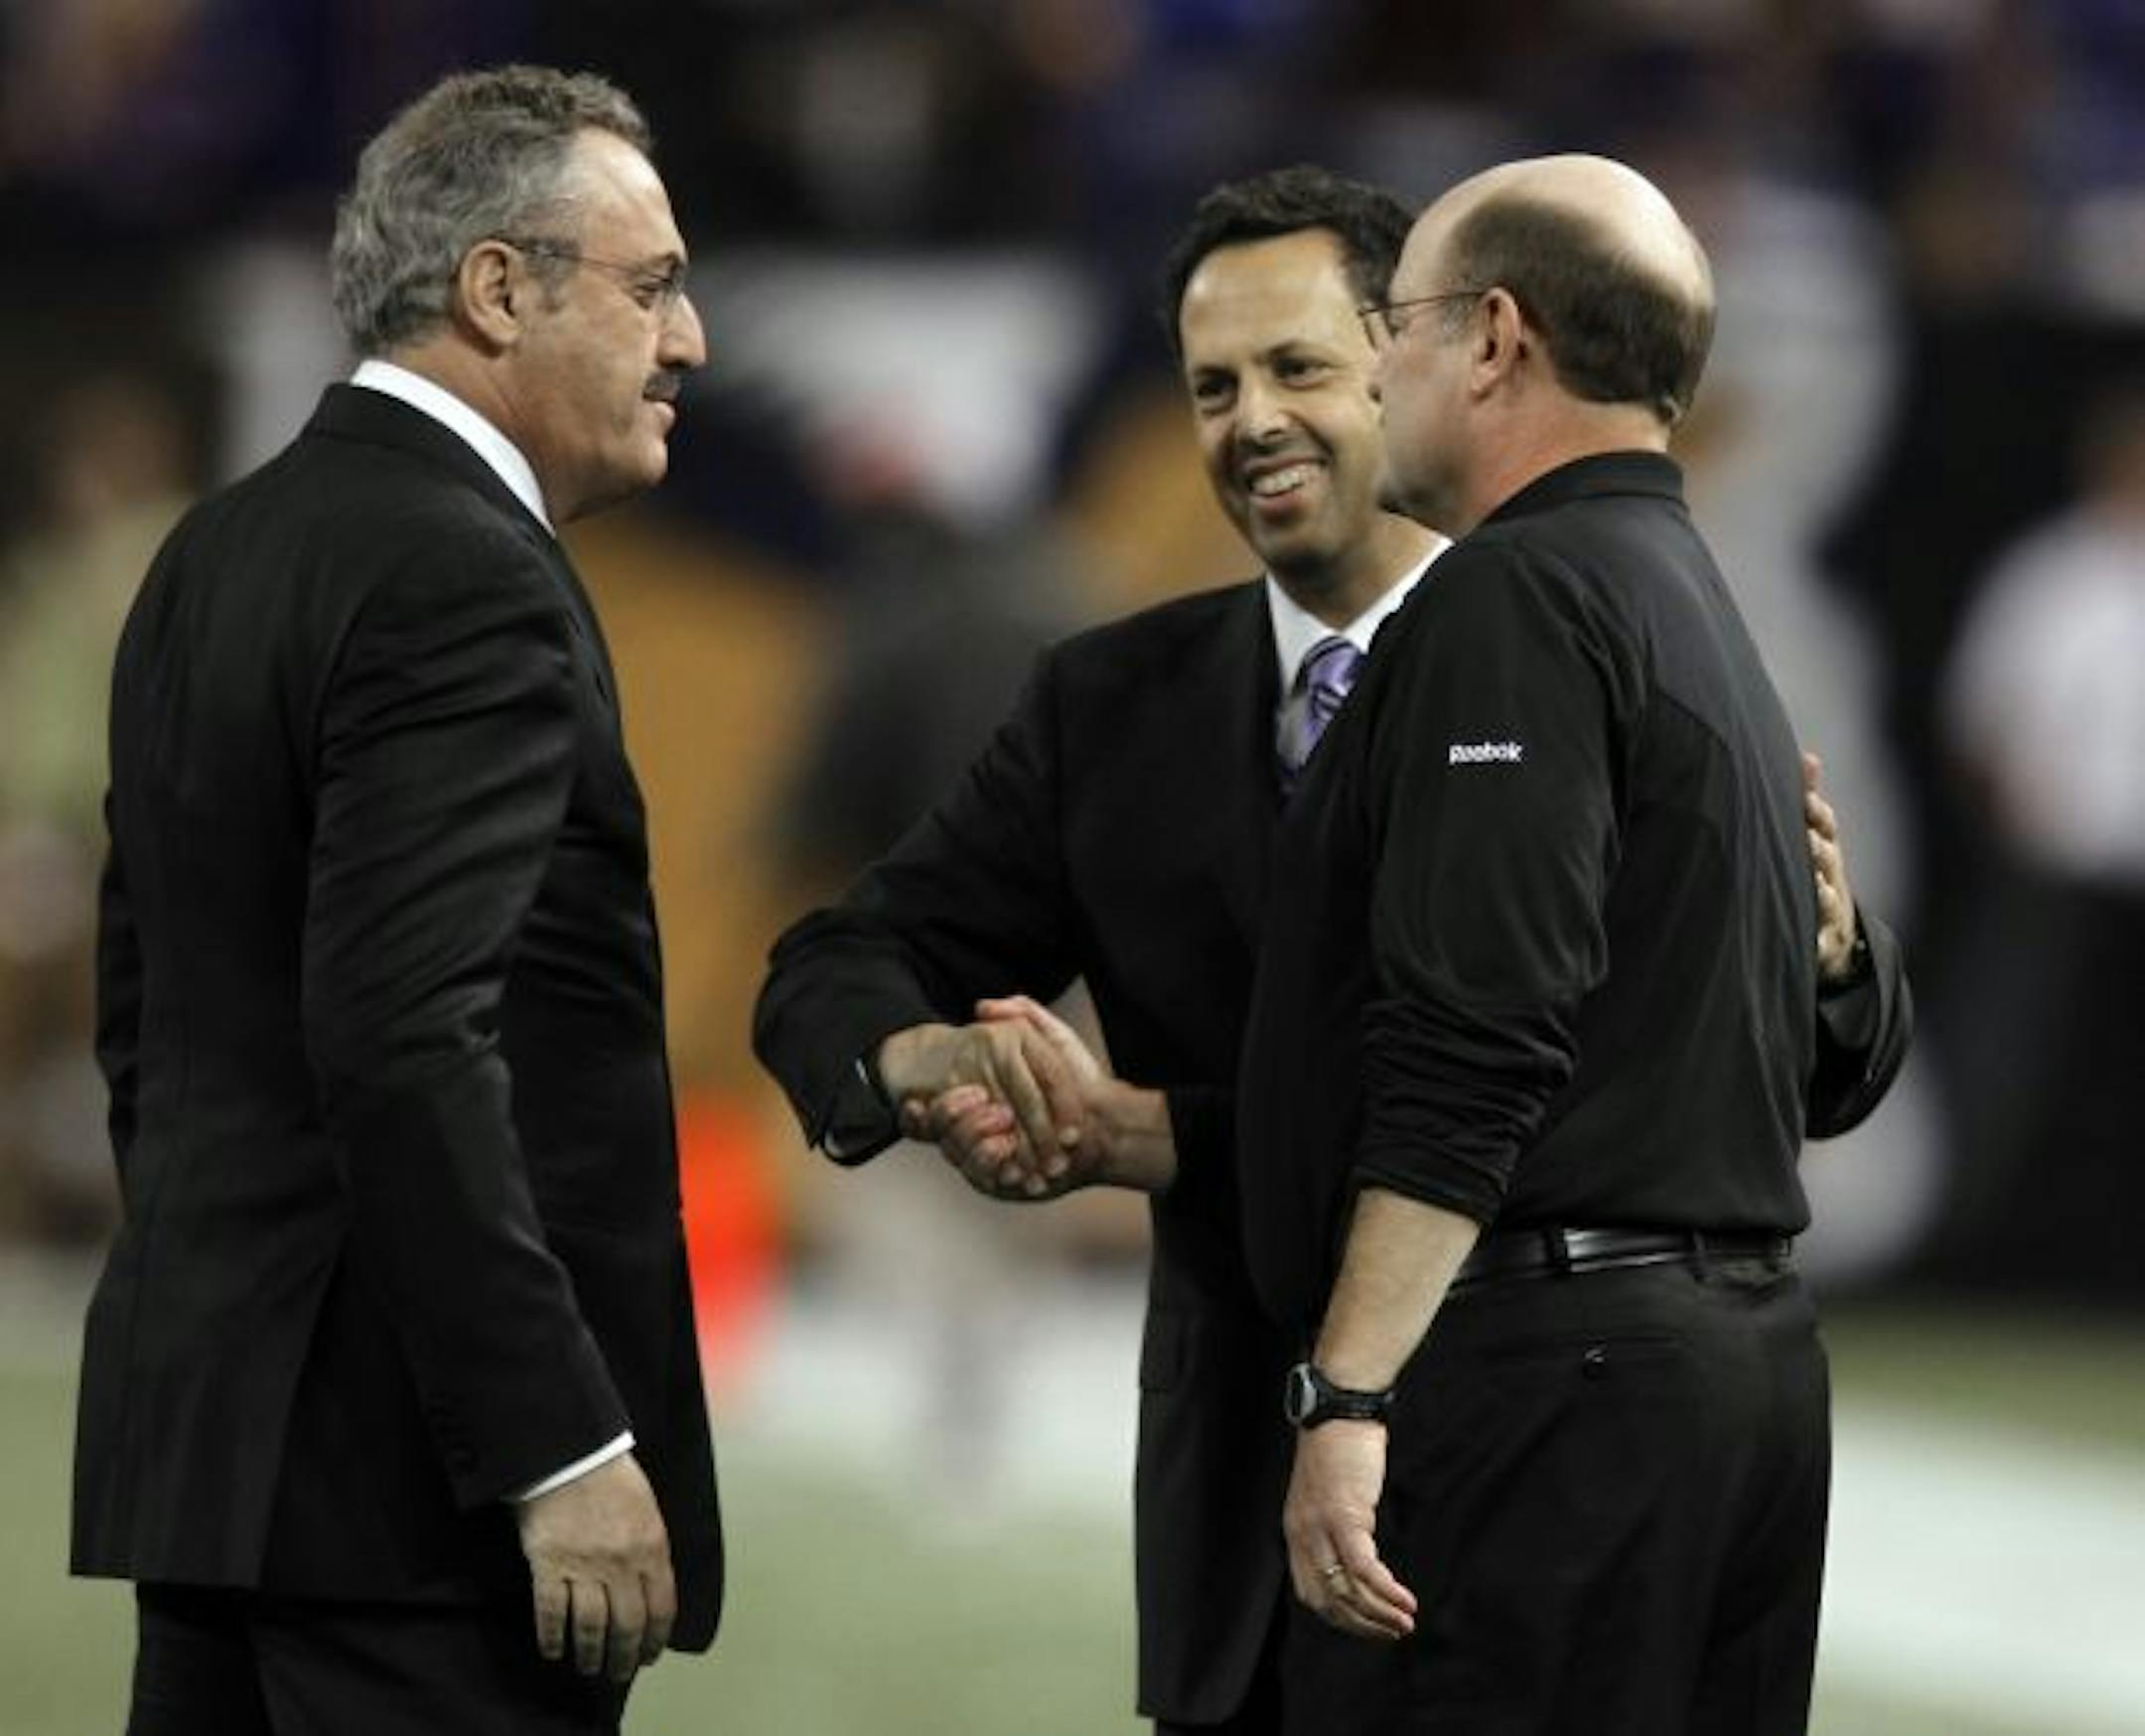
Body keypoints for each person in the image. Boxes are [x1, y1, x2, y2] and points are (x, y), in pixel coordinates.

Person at [754, 166, 1905, 1734]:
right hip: (1263, 1486)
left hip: (1511, 1429)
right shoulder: (1113, 708)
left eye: (1297, 366)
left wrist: (1827, 956)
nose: (1249, 422)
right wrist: (925, 1055)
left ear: (1420, 351)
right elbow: (833, 959)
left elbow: (1568, 1058)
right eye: (1210, 386)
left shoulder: (1570, 604)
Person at [73, 66, 722, 1736]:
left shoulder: (216, 551)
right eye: (651, 287)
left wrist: (241, 1312)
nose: (691, 340)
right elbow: (400, 1035)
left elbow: (144, 1015)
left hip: (224, 1468)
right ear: (500, 289)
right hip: (417, 1510)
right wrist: (556, 1443)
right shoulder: (460, 569)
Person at [1232, 154, 1912, 1736]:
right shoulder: (1697, 603)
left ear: (1494, 340)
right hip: (1736, 1377)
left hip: (1554, 1388)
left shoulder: (1518, 599)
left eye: (1391, 319)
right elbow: (1825, 1054)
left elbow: (1481, 1031)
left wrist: (1349, 1393)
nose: (1372, 365)